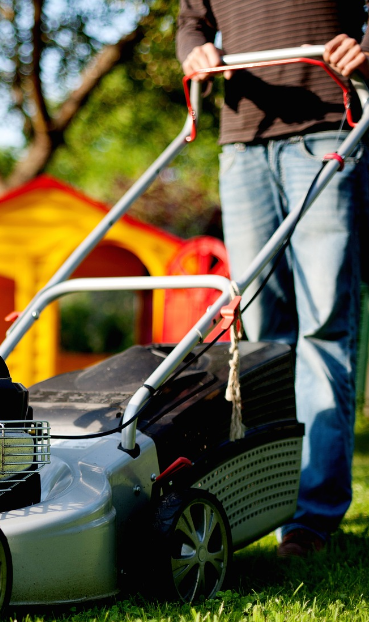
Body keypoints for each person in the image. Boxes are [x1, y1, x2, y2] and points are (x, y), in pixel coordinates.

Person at [177, 1, 369, 557]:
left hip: (328, 130)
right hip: (242, 143)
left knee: (326, 327)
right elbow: (192, 20)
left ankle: (311, 516)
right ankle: (265, 499)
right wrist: (196, 54)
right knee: (261, 338)